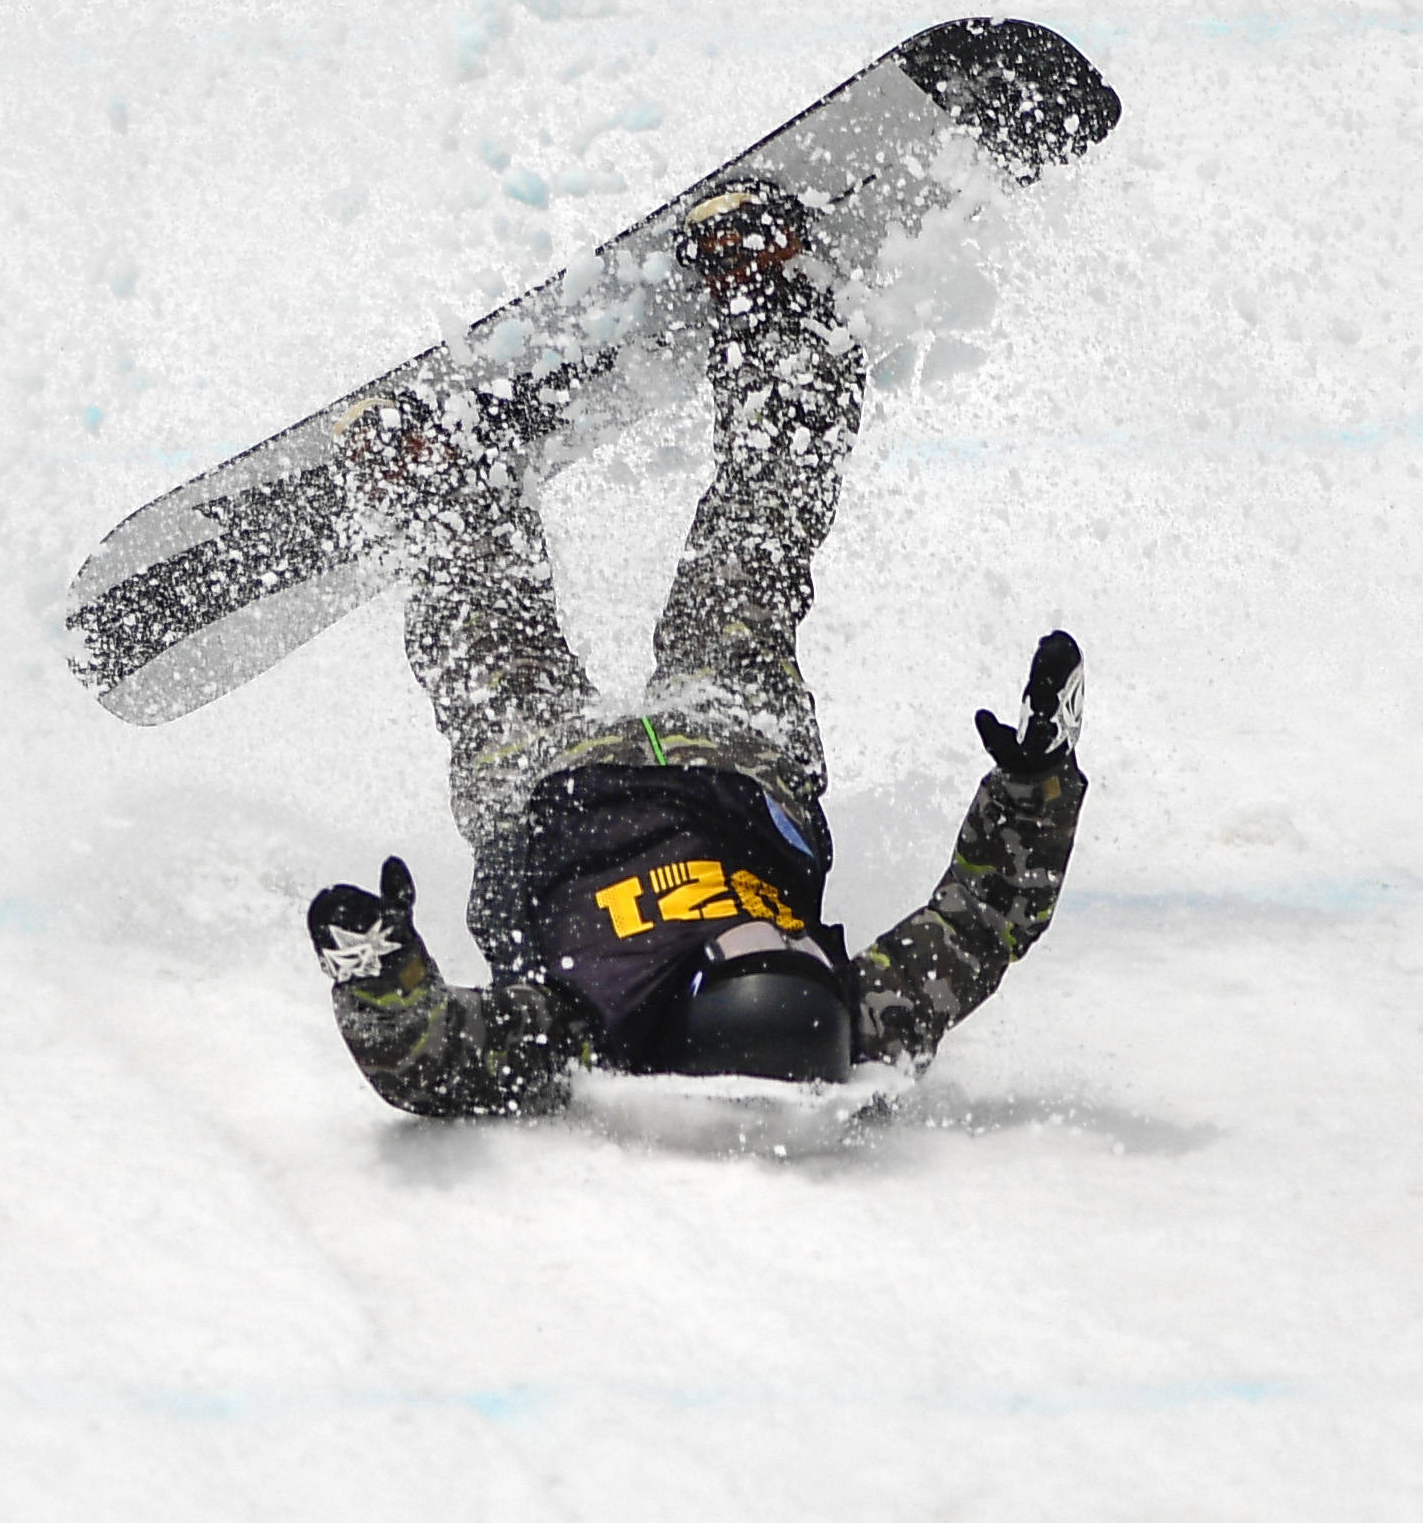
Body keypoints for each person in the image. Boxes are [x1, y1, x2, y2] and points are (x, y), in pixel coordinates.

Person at [303, 182, 1092, 1117]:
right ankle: (781, 323)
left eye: (758, 947)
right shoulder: (859, 1019)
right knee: (745, 570)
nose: (778, 932)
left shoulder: (586, 1031)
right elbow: (983, 922)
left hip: (542, 798)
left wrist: (378, 974)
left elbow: (436, 1065)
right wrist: (1038, 778)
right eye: (791, 945)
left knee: (491, 661)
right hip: (735, 759)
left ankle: (449, 502)